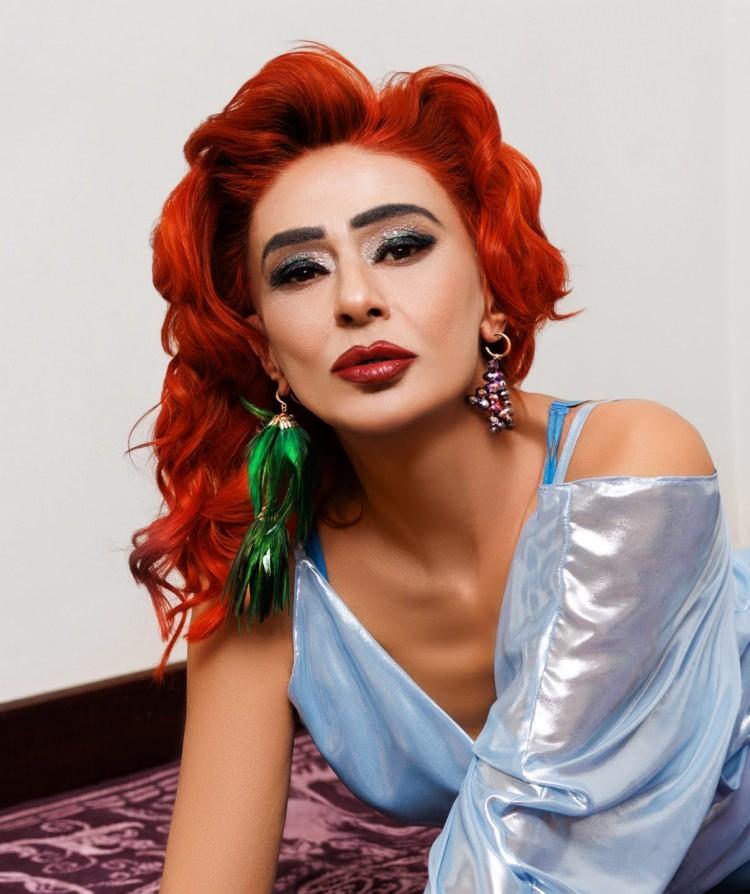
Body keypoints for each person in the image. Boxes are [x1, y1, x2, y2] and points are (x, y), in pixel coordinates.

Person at [127, 40, 750, 893]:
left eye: (401, 246)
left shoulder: (632, 465)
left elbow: (534, 847)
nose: (356, 299)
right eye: (301, 270)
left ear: (491, 291)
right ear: (267, 351)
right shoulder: (271, 577)